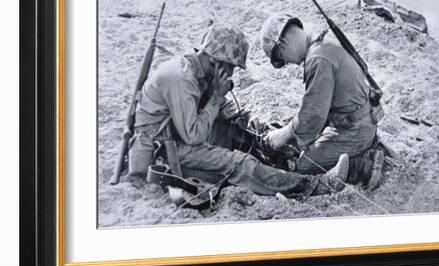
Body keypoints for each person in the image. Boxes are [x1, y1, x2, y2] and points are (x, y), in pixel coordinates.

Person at [128, 24, 350, 197]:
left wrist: (248, 119)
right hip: (167, 149)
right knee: (239, 162)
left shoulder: (200, 70)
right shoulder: (181, 79)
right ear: (217, 62)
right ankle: (314, 186)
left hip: (181, 133)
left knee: (246, 132)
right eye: (232, 67)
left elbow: (222, 109)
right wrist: (216, 97)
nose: (232, 74)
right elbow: (194, 136)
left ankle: (289, 163)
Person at [259, 13, 385, 190]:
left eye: (282, 57)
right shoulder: (323, 43)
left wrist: (283, 135)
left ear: (283, 44)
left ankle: (364, 164)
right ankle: (365, 147)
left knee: (304, 165)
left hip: (355, 129)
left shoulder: (318, 59)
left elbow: (313, 116)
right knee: (299, 143)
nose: (288, 63)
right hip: (361, 119)